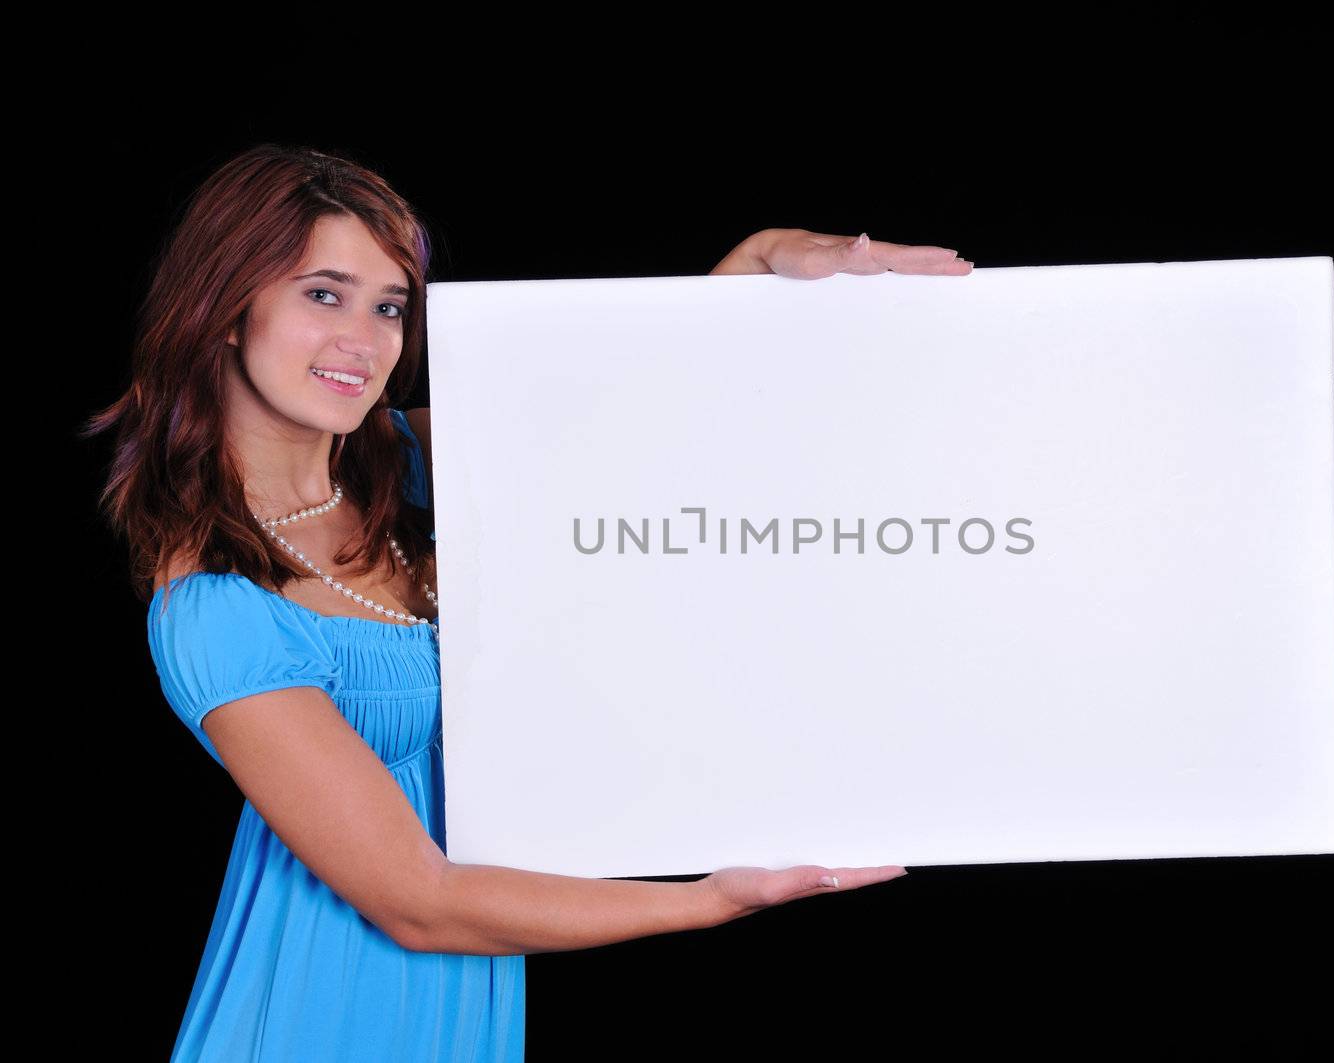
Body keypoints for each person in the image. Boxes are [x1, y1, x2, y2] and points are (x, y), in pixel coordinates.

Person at [84, 143, 972, 1062]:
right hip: (324, 1005)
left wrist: (759, 263)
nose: (366, 338)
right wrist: (712, 897)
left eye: (389, 305)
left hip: (469, 997)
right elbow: (418, 901)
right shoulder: (216, 603)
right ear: (226, 307)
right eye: (323, 294)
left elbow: (641, 413)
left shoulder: (421, 462)